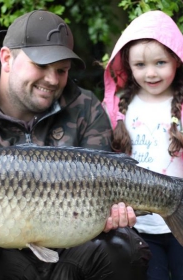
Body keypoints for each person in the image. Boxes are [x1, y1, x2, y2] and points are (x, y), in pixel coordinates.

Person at [0, 10, 150, 280]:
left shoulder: (85, 109)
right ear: (7, 58)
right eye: (41, 65)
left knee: (124, 248)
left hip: (74, 247)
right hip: (2, 258)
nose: (52, 80)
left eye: (61, 70)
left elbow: (108, 186)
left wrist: (112, 218)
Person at [102, 10, 183, 280]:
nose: (151, 73)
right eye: (140, 65)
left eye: (160, 62)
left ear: (176, 59)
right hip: (139, 226)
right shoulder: (118, 106)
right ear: (127, 65)